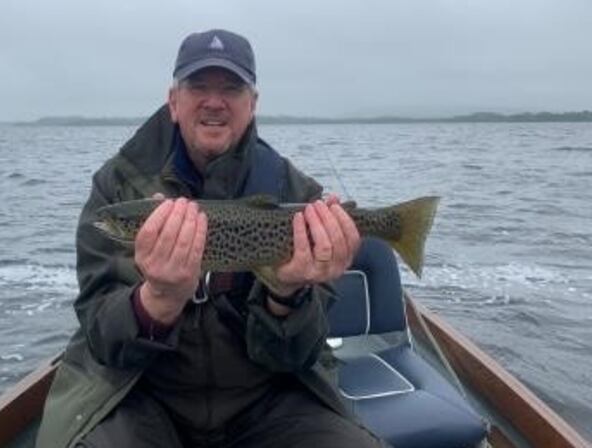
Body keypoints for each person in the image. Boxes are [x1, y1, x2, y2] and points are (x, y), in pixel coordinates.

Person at [36, 29, 384, 448]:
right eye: (198, 85)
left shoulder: (297, 196)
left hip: (266, 395)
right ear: (173, 101)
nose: (214, 101)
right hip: (141, 393)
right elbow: (102, 336)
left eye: (232, 88)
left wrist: (286, 293)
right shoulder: (118, 186)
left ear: (252, 104)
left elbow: (299, 357)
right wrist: (157, 301)